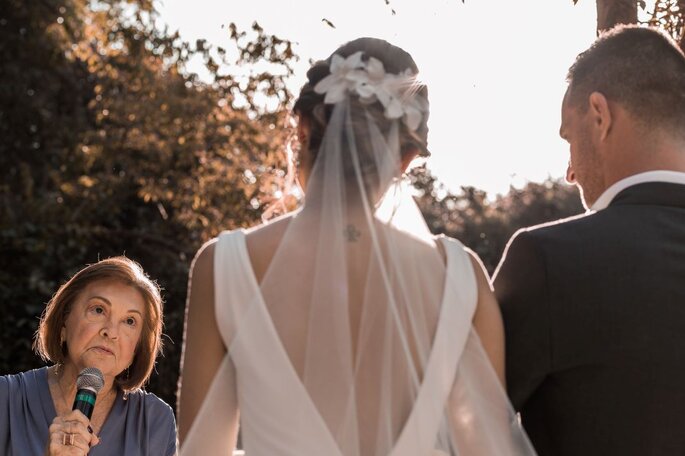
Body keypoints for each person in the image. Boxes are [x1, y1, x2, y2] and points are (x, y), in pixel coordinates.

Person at [178, 37, 535, 455]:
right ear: (403, 160)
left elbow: (200, 450)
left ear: (303, 130)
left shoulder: (224, 265)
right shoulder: (462, 277)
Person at [493, 25, 685, 456]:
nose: (571, 172)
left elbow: (463, 423)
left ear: (600, 115)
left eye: (568, 137)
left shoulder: (547, 260)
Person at [0, 257, 177, 455]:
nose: (111, 332)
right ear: (64, 319)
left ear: (138, 346)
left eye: (129, 321)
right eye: (99, 310)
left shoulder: (154, 421)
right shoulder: (5, 399)